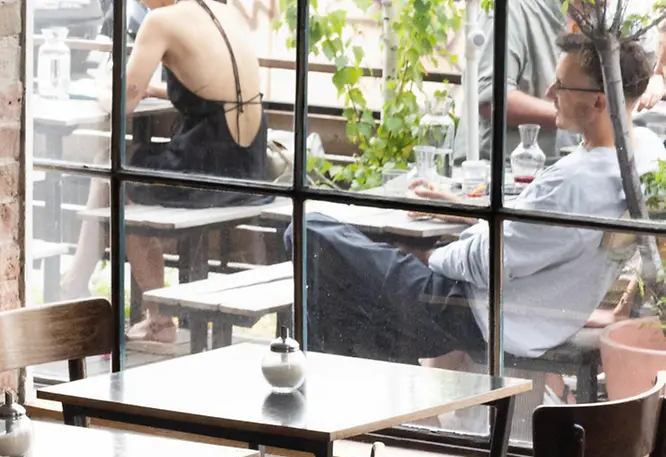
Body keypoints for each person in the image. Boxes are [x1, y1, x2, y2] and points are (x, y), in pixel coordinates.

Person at [299, 32, 663, 369]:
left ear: (599, 101)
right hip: (527, 316)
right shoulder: (644, 152)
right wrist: (468, 215)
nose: (550, 91)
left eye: (562, 85)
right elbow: (534, 236)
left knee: (307, 231)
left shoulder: (574, 184)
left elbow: (487, 263)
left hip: (469, 310)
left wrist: (427, 255)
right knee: (359, 283)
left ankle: (323, 394)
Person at [59, 0, 270, 343]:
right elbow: (214, 88)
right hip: (247, 164)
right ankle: (79, 284)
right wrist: (152, 89)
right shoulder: (222, 11)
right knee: (115, 170)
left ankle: (152, 317)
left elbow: (121, 102)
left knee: (115, 174)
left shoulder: (161, 21)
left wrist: (101, 88)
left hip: (207, 168)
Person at [469, 0, 570, 158]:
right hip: (507, 173)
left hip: (562, 171)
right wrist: (571, 114)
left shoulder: (600, 21)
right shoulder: (512, 8)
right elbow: (490, 98)